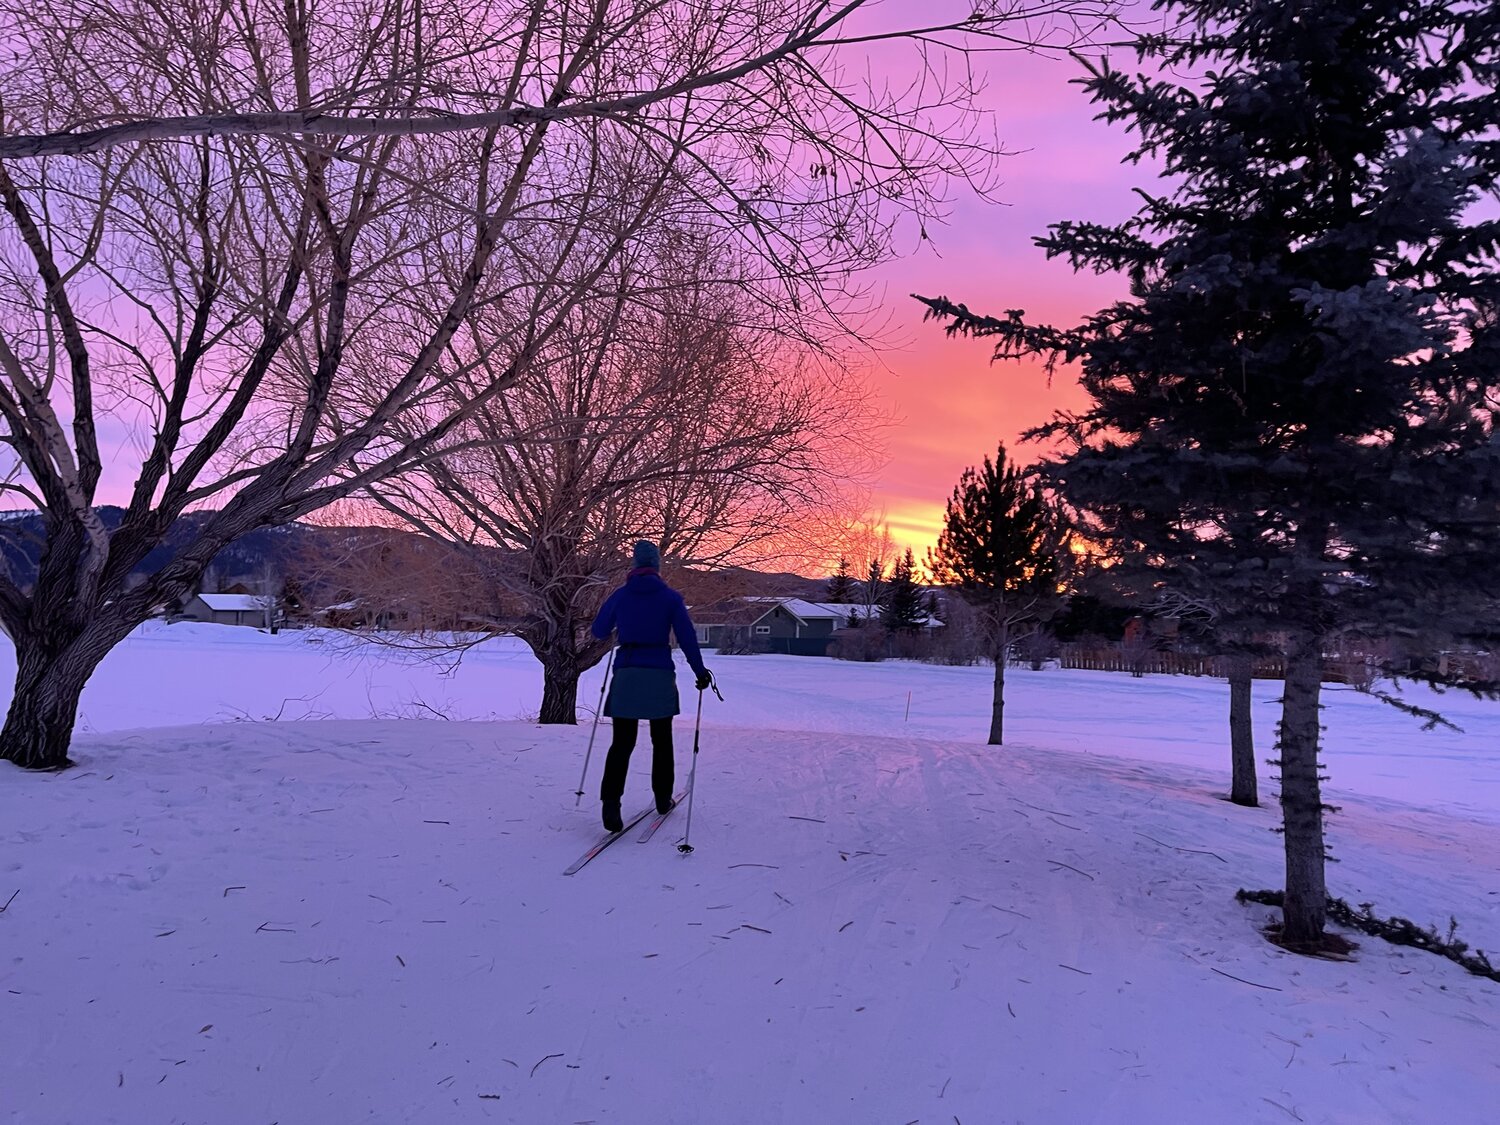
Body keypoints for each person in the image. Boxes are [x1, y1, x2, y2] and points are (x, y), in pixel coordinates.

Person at [590, 540, 713, 832]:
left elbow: (598, 631)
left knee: (622, 743)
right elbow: (687, 638)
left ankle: (610, 805)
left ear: (635, 566)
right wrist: (700, 671)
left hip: (627, 673)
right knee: (662, 740)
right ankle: (662, 799)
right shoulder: (671, 598)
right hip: (658, 673)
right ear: (656, 567)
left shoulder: (620, 596)